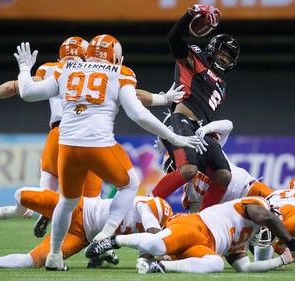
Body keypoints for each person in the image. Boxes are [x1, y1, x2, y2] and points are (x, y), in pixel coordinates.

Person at [14, 34, 203, 270]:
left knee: (67, 202)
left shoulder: (67, 69)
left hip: (67, 146)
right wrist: (173, 136)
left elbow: (28, 93)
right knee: (130, 184)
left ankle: (54, 255)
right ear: (115, 56)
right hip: (99, 145)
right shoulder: (119, 73)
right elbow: (138, 114)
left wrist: (24, 69)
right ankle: (104, 235)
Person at [0, 37, 104, 238]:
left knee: (47, 193)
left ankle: (39, 210)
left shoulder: (53, 69)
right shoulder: (99, 71)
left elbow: (17, 88)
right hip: (90, 134)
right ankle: (99, 245)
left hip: (59, 133)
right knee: (92, 203)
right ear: (87, 54)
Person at [150, 4, 240, 212]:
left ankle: (202, 221)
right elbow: (173, 38)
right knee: (189, 170)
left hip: (201, 132)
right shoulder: (195, 60)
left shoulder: (222, 86)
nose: (224, 58)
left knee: (224, 175)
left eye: (229, 57)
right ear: (212, 50)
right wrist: (190, 14)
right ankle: (146, 203)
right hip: (181, 121)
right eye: (222, 53)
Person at [85, 196, 295, 274]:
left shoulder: (243, 240)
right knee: (156, 247)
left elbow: (246, 268)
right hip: (196, 226)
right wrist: (292, 244)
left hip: (206, 245)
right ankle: (113, 241)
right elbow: (266, 218)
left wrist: (283, 259)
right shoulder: (255, 206)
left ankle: (161, 268)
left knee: (216, 263)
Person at [0, 186, 173, 269]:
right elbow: (153, 234)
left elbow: (146, 252)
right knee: (21, 195)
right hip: (78, 208)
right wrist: (165, 249)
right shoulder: (147, 206)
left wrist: (151, 260)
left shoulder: (148, 219)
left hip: (80, 237)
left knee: (31, 262)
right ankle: (19, 211)